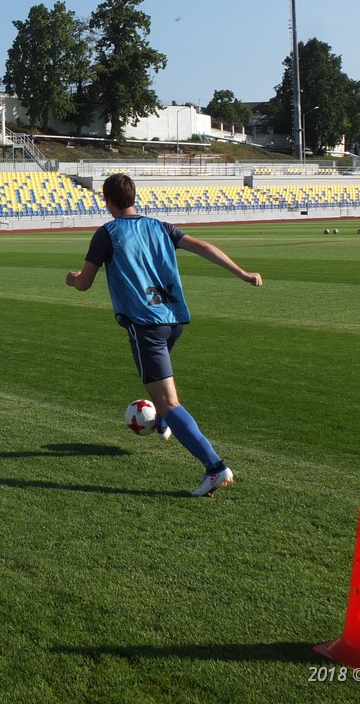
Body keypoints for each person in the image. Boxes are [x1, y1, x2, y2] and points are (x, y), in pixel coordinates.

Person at [64, 172, 262, 497]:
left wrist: (71, 279)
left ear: (108, 200)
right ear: (134, 197)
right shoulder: (159, 225)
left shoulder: (107, 233)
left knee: (168, 401)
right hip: (175, 320)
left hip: (146, 325)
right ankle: (165, 423)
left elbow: (84, 283)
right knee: (162, 389)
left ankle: (214, 467)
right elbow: (201, 245)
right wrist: (241, 272)